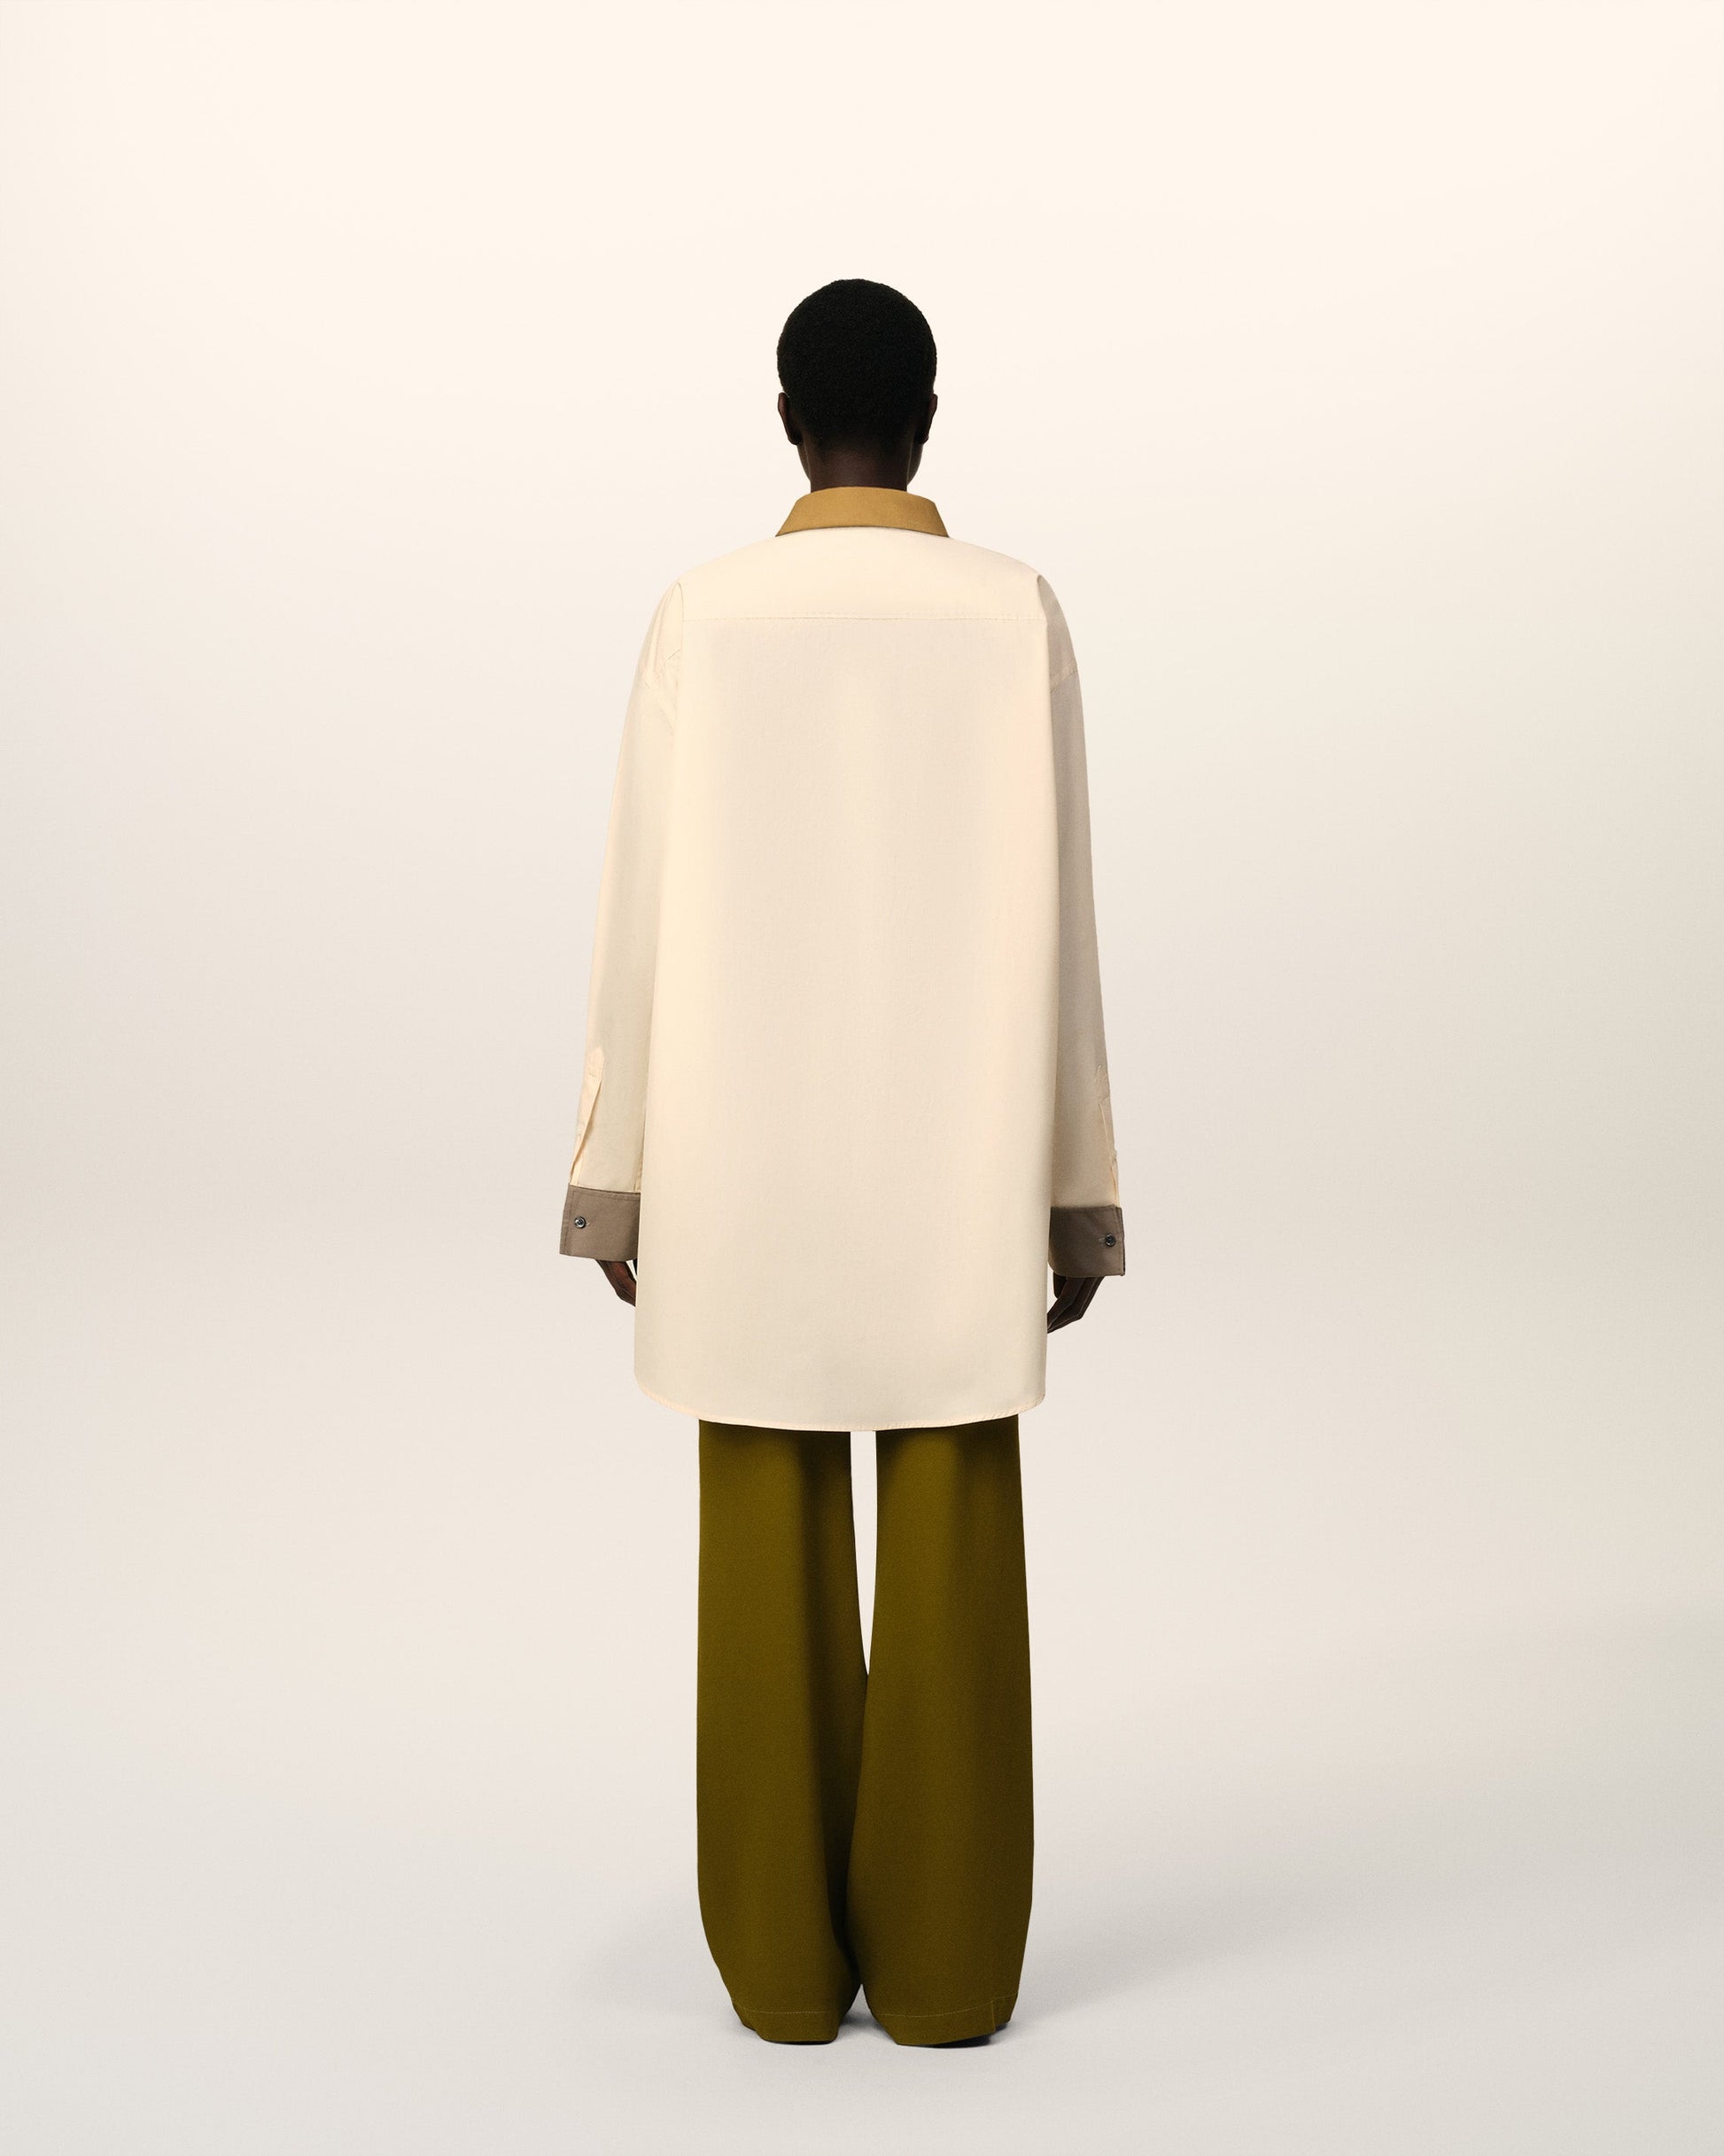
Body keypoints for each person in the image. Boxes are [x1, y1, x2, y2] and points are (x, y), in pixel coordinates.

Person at [559, 278, 1124, 2046]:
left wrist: (616, 1169)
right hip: (958, 1151)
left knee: (763, 1537)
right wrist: (1074, 1195)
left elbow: (642, 907)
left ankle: (783, 1972)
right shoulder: (1013, 609)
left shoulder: (704, 615)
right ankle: (948, 1972)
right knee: (954, 1524)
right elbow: (1064, 926)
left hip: (743, 1153)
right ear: (926, 418)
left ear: (787, 420)